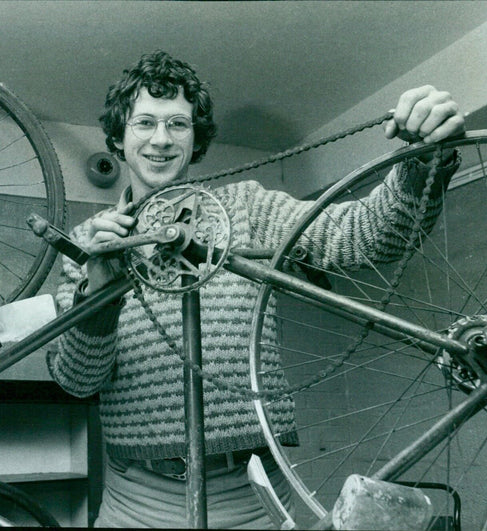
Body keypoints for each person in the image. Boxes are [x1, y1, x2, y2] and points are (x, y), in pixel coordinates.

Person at [47, 50, 463, 528]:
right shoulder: (84, 243)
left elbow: (368, 236)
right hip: (136, 503)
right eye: (145, 123)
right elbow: (78, 380)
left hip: (253, 499)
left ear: (195, 138)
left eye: (178, 125)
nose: (160, 140)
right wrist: (99, 287)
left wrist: (424, 159)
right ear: (119, 137)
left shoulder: (247, 208)